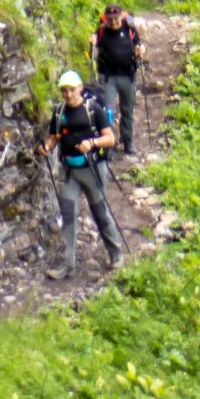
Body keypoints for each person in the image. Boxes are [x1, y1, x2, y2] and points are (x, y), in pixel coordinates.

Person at [40, 69, 123, 278]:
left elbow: (110, 138)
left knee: (99, 212)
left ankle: (116, 254)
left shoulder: (94, 110)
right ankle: (68, 265)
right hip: (69, 171)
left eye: (71, 90)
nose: (68, 94)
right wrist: (46, 147)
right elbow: (54, 136)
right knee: (68, 215)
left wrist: (92, 143)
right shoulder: (59, 112)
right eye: (64, 90)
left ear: (80, 88)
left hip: (92, 169)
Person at [93, 4, 141, 155]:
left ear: (121, 16)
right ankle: (108, 145)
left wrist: (140, 50)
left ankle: (128, 142)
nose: (113, 22)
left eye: (115, 18)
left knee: (127, 110)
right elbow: (94, 51)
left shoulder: (130, 30)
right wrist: (92, 44)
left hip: (127, 75)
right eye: (109, 19)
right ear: (106, 19)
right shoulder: (101, 31)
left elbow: (139, 44)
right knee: (108, 112)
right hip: (108, 77)